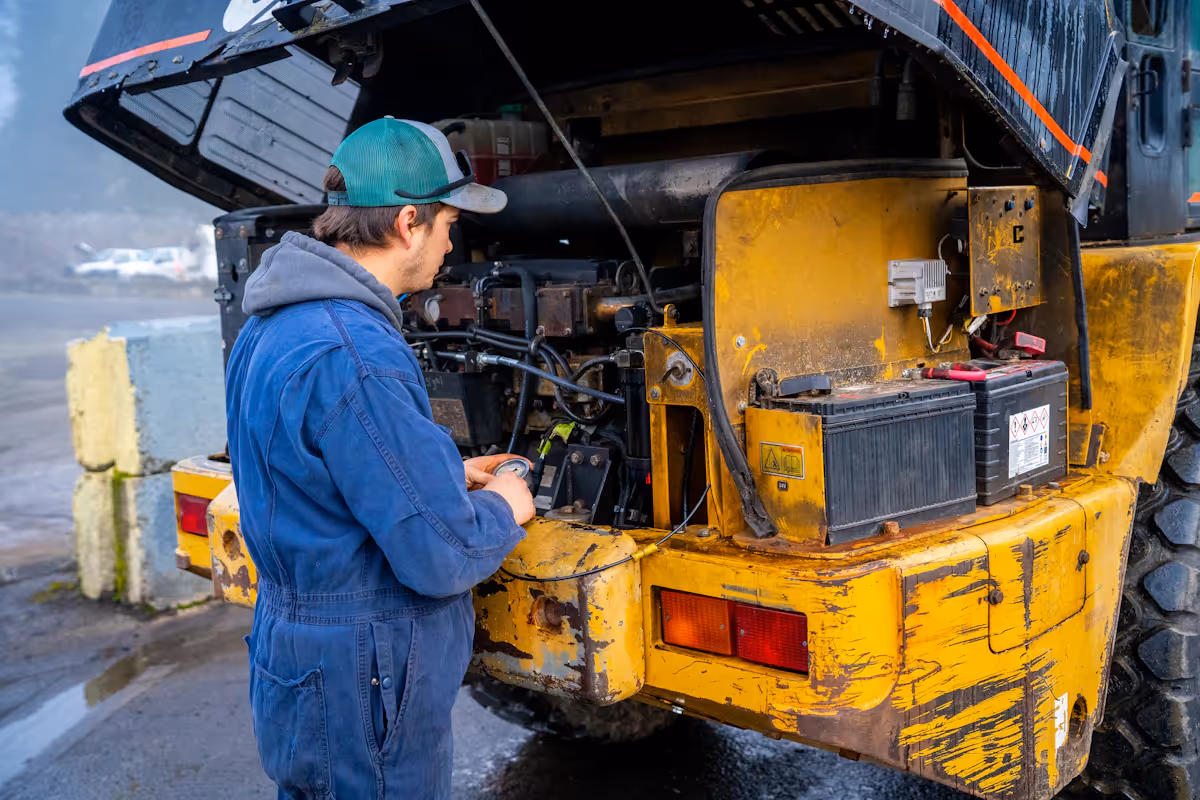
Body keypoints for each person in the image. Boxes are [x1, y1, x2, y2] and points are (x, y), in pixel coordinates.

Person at [225, 117, 535, 799]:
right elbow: (441, 552)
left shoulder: (270, 326)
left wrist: (444, 477)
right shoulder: (357, 352)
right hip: (366, 676)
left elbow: (309, 474)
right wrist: (503, 503)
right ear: (407, 222)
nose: (453, 242)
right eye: (449, 221)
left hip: (297, 654)